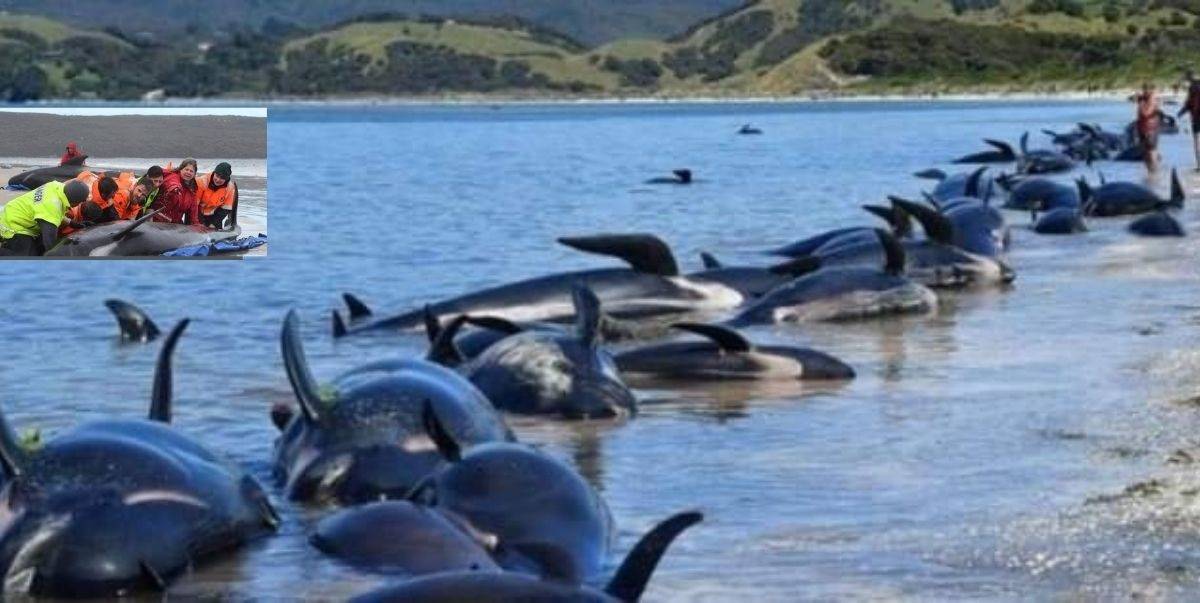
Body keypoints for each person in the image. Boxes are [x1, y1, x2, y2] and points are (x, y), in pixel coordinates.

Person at [0, 180, 90, 255]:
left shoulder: (57, 186)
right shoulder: (52, 207)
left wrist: (72, 223)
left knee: (38, 248)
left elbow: (53, 214)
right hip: (13, 223)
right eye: (81, 202)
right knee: (28, 258)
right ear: (74, 202)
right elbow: (49, 242)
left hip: (16, 210)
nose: (81, 203)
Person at [149, 158, 200, 226]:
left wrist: (196, 225)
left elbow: (193, 212)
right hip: (157, 220)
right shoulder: (172, 176)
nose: (188, 172)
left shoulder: (192, 191)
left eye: (191, 171)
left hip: (174, 225)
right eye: (186, 169)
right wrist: (174, 189)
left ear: (194, 174)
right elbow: (171, 183)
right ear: (180, 169)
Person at [195, 162, 238, 230]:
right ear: (214, 173)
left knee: (215, 236)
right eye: (217, 176)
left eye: (222, 178)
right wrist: (199, 223)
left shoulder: (230, 188)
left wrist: (213, 224)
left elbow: (225, 209)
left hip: (214, 216)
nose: (218, 180)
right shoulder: (201, 181)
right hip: (197, 214)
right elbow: (194, 205)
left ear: (226, 179)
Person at [1135, 82, 1161, 173]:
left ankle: (1154, 170)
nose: (1145, 91)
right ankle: (1150, 171)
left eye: (1146, 89)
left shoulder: (1152, 98)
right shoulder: (1144, 99)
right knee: (1145, 151)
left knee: (1151, 150)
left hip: (1151, 129)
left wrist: (1141, 103)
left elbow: (1146, 112)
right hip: (1143, 128)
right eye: (1144, 89)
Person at [1179, 69, 1200, 171]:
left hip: (1196, 117)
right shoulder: (1195, 85)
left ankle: (1199, 165)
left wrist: (1181, 112)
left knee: (1196, 141)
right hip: (1196, 116)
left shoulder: (1192, 87)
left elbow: (1189, 103)